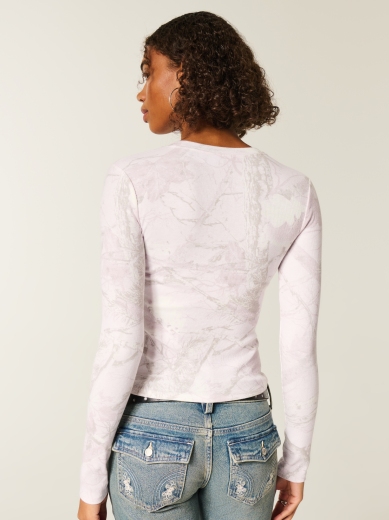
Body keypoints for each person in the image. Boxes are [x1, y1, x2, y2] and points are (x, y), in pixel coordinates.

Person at [77, 11, 322, 520]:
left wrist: (90, 482)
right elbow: (299, 347)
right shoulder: (294, 190)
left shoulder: (132, 179)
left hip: (153, 435)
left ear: (184, 73)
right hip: (248, 436)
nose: (141, 91)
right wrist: (295, 465)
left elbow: (123, 339)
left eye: (149, 71)